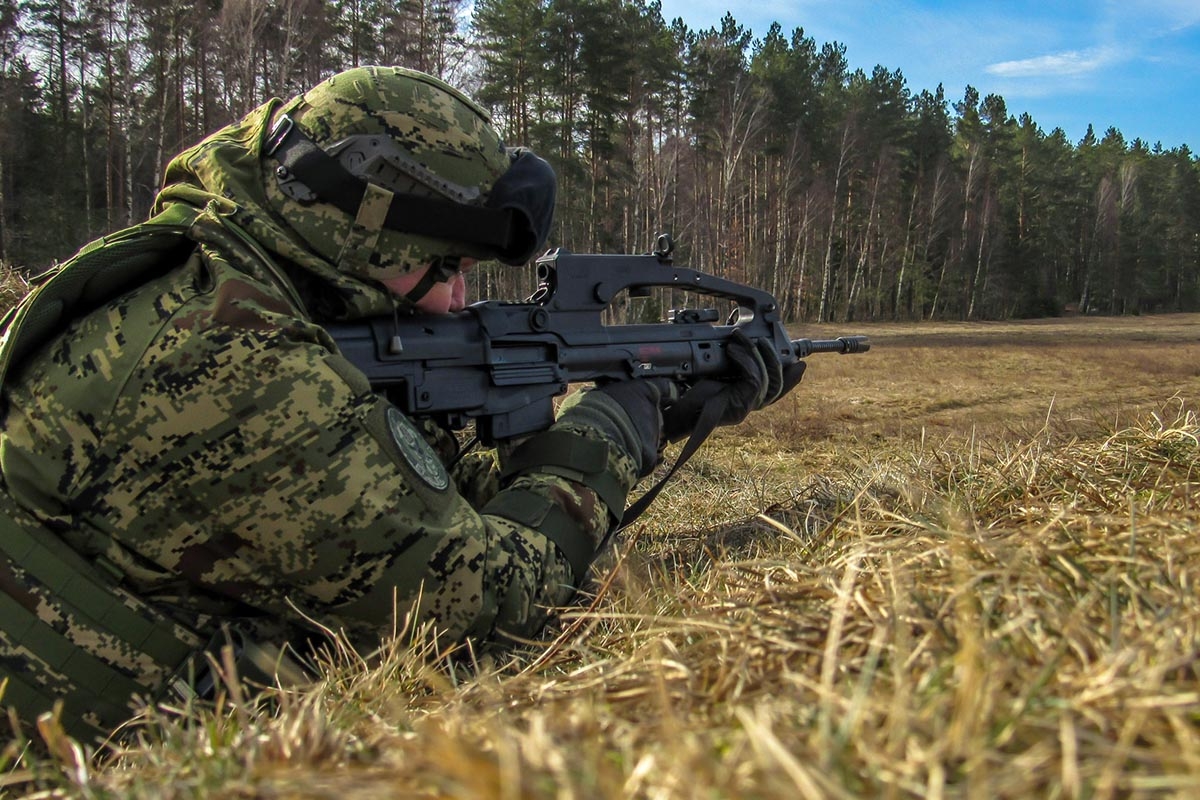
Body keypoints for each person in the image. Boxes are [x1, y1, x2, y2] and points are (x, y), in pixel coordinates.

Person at [0, 66, 803, 740]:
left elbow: (427, 493)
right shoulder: (235, 359)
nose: (456, 300)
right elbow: (483, 602)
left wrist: (663, 406)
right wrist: (612, 429)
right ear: (370, 229)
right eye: (446, 263)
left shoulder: (228, 285)